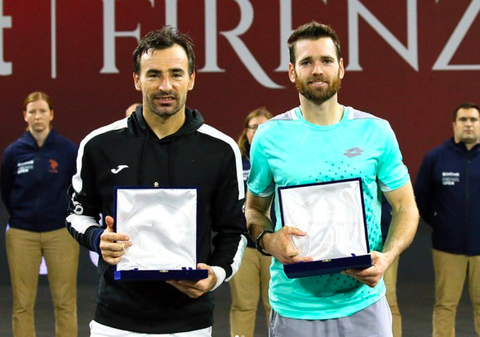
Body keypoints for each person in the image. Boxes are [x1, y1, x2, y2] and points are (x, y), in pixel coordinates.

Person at [66, 26, 246, 336]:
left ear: (191, 78)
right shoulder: (99, 144)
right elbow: (75, 214)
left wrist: (216, 274)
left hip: (190, 322)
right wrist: (98, 239)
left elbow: (235, 231)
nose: (166, 86)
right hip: (115, 320)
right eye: (153, 75)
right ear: (136, 79)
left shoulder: (221, 149)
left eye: (176, 74)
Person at [245, 21, 419, 337]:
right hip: (294, 308)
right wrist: (270, 241)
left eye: (326, 60)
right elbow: (254, 209)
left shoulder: (375, 131)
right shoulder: (269, 136)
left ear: (340, 68)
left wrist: (388, 257)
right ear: (291, 71)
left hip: (364, 306)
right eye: (306, 62)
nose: (317, 70)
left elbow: (407, 208)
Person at [1, 91, 79, 337]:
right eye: (32, 111)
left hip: (60, 233)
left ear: (51, 114)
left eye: (42, 111)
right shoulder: (13, 152)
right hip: (22, 233)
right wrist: (22, 217)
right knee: (22, 304)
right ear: (25, 116)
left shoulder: (67, 149)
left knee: (65, 303)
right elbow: (6, 191)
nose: (38, 116)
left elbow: (77, 189)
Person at [414, 102, 480, 337]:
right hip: (447, 247)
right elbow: (421, 196)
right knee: (445, 304)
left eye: (473, 119)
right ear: (454, 125)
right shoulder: (436, 158)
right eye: (463, 120)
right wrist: (439, 221)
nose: (469, 124)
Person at [230, 107, 273, 337]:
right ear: (245, 132)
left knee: (274, 306)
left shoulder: (282, 159)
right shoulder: (234, 161)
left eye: (264, 127)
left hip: (274, 244)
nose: (258, 132)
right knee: (243, 305)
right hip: (243, 245)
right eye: (253, 127)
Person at [381, 195, 402, 337]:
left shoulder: (387, 174)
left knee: (390, 302)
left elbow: (405, 206)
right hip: (353, 248)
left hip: (386, 247)